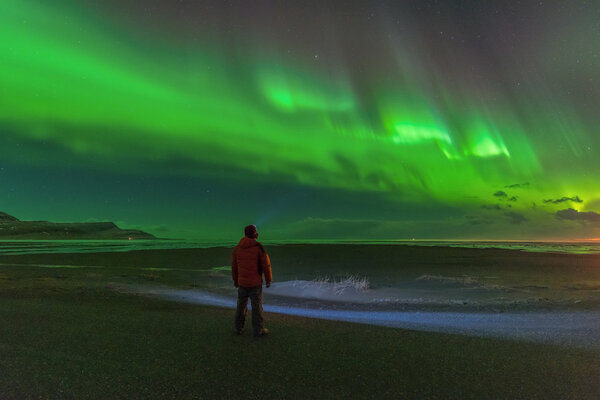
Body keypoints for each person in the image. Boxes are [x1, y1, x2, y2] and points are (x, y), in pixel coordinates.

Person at [231, 224, 272, 337]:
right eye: (256, 231)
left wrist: (236, 280)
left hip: (242, 283)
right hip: (255, 283)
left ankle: (238, 328)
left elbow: (234, 267)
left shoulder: (238, 248)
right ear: (254, 234)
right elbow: (266, 266)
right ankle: (258, 329)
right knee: (257, 307)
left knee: (241, 306)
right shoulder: (258, 248)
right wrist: (268, 280)